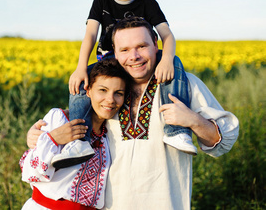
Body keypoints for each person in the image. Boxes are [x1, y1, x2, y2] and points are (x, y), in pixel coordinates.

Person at [27, 17, 239, 209]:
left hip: (168, 203)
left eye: (141, 46)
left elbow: (223, 142)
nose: (134, 56)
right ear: (114, 52)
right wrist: (41, 137)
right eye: (125, 50)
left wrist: (193, 121)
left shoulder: (183, 84)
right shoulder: (109, 91)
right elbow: (71, 123)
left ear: (156, 45)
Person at [55, 0, 195, 169]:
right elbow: (90, 35)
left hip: (140, 58)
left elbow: (167, 36)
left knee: (175, 63)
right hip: (109, 60)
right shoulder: (101, 0)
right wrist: (81, 66)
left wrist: (167, 59)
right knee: (83, 82)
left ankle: (176, 132)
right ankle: (80, 140)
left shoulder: (147, 1)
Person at [20, 58, 131, 209]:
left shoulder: (111, 133)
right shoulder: (60, 119)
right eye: (102, 90)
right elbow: (32, 173)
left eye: (118, 93)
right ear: (89, 90)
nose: (110, 100)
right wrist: (53, 139)